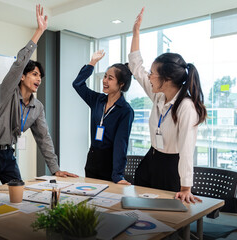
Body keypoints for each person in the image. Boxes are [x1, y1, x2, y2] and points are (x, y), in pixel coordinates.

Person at [0, 5, 78, 188]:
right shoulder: (6, 91)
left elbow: (44, 137)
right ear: (22, 76)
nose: (38, 78)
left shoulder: (37, 107)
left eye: (40, 76)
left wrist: (55, 169)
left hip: (8, 154)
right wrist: (39, 31)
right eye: (34, 74)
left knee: (19, 193)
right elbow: (19, 63)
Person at [128, 8, 207, 203]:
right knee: (142, 210)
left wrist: (186, 187)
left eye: (153, 73)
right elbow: (136, 68)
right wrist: (136, 33)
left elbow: (187, 149)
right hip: (151, 159)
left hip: (172, 167)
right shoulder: (159, 95)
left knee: (167, 221)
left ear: (168, 78)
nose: (149, 76)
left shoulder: (185, 107)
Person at [72, 50, 134, 184]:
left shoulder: (125, 110)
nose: (104, 81)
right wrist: (92, 63)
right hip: (93, 159)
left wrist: (118, 175)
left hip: (110, 163)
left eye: (110, 78)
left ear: (121, 84)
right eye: (105, 76)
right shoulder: (97, 100)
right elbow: (77, 84)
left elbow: (120, 143)